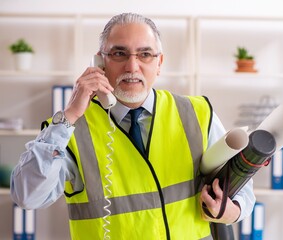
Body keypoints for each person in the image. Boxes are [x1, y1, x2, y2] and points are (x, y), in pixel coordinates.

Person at [10, 13, 255, 240]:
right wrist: (70, 114)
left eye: (145, 54)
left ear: (159, 63)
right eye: (119, 53)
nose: (132, 66)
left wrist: (233, 212)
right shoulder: (70, 131)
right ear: (100, 62)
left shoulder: (197, 113)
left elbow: (241, 187)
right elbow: (28, 197)